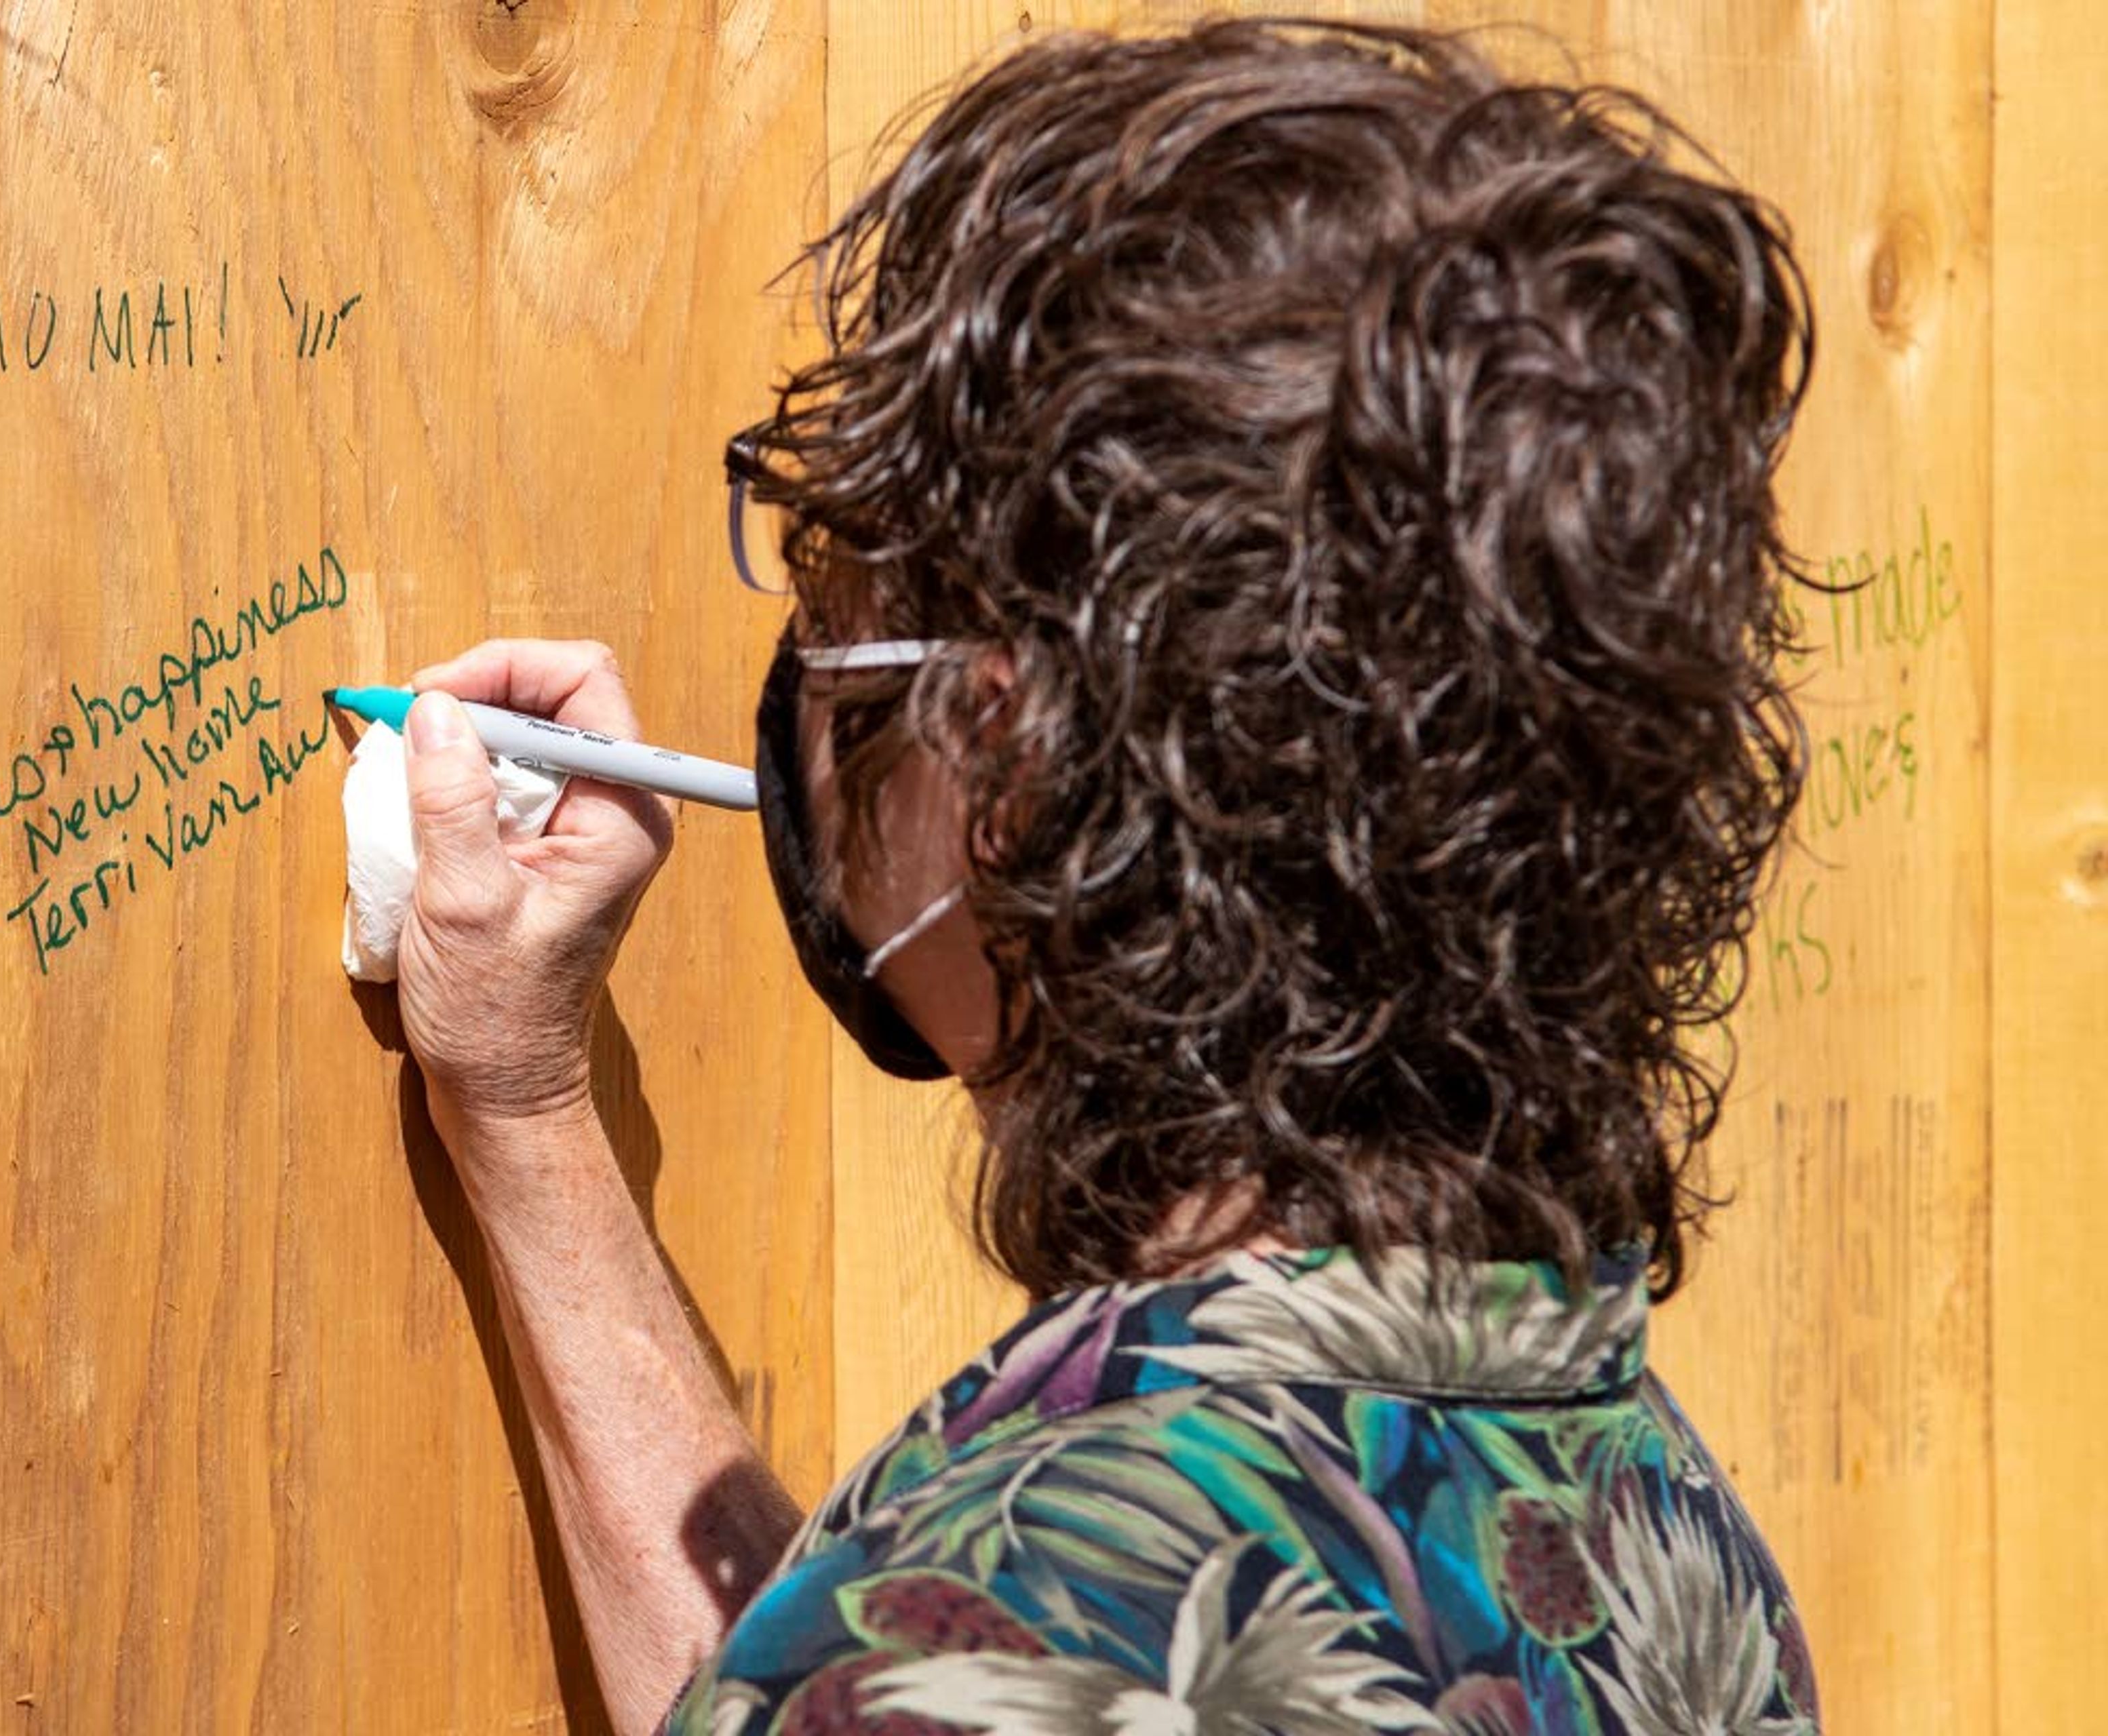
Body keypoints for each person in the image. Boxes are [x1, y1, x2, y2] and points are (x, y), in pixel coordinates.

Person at [388, 18, 1820, 1735]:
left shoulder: (1012, 1647)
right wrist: (529, 1110)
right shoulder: (1622, 1507)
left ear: (1005, 761)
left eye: (842, 621)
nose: (809, 698)